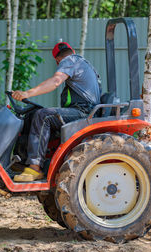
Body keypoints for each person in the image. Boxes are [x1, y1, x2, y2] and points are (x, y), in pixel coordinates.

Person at [12, 42, 101, 182]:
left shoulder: (71, 61)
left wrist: (27, 93)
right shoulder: (82, 63)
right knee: (33, 114)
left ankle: (34, 168)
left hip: (84, 112)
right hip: (84, 111)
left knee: (43, 116)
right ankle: (21, 162)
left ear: (57, 60)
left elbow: (55, 81)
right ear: (73, 50)